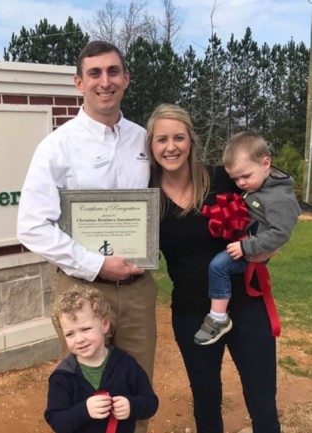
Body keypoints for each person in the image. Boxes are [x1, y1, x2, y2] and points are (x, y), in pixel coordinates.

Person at [17, 40, 158, 433]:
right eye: (94, 73)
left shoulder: (143, 140)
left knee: (135, 390)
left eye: (113, 72)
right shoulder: (56, 147)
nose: (105, 81)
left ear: (126, 78)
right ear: (78, 82)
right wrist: (97, 264)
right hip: (81, 291)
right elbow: (31, 226)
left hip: (136, 286)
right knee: (84, 394)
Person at [146, 103, 282, 433]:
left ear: (191, 140)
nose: (171, 146)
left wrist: (267, 246)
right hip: (193, 313)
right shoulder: (147, 198)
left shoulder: (223, 177)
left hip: (247, 305)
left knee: (263, 401)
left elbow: (275, 201)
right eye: (161, 139)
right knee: (207, 402)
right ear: (151, 145)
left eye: (179, 137)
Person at [194, 131, 301, 345]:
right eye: (235, 178)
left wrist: (246, 246)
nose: (241, 183)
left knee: (218, 266)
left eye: (245, 176)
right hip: (247, 241)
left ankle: (218, 318)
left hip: (254, 248)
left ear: (266, 163)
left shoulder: (279, 198)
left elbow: (280, 233)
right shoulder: (259, 184)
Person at [44, 287, 158, 433]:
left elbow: (150, 402)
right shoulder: (63, 377)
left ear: (104, 324)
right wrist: (84, 410)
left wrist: (131, 406)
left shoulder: (126, 364)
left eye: (86, 329)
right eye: (70, 334)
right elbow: (57, 421)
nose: (79, 339)